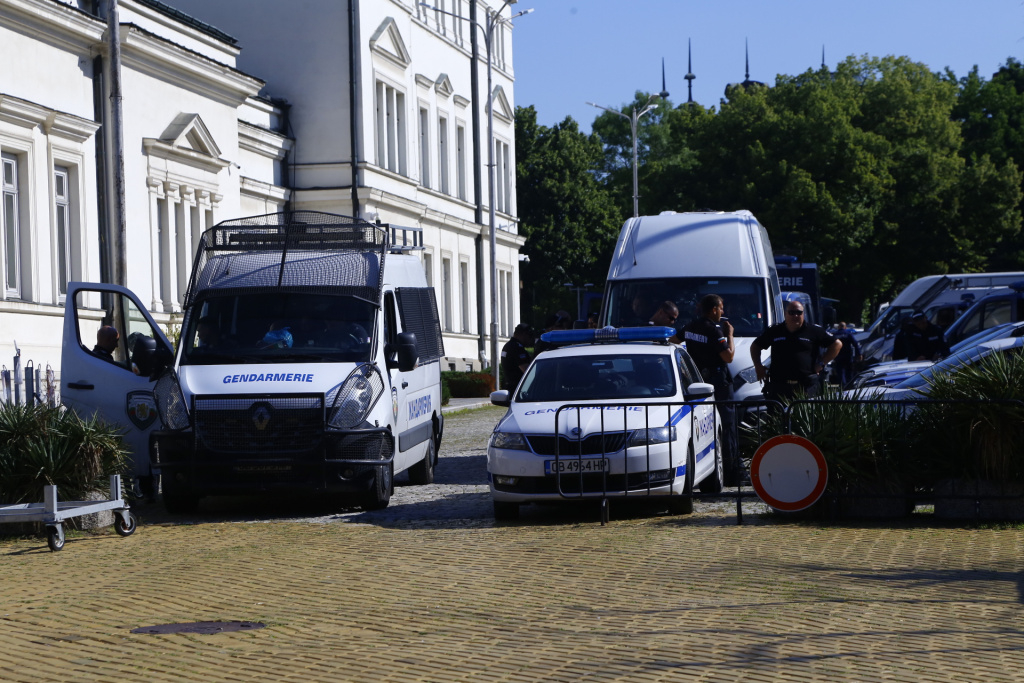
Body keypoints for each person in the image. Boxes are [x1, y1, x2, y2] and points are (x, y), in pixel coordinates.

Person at [681, 294, 737, 475]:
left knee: (704, 426)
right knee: (726, 425)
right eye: (721, 308)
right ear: (714, 310)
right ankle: (731, 470)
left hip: (697, 382)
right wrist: (729, 335)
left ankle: (709, 466)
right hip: (718, 383)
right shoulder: (714, 331)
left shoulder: (691, 326)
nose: (723, 312)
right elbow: (728, 357)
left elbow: (673, 340)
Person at [750, 300, 842, 403]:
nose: (796, 315)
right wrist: (758, 366)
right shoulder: (775, 331)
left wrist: (821, 363)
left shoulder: (814, 331)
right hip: (779, 386)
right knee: (777, 417)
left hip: (806, 386)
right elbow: (755, 346)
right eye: (792, 312)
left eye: (799, 312)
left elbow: (837, 344)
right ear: (785, 314)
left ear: (804, 314)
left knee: (805, 417)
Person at [500, 323, 534, 391]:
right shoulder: (517, 348)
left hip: (510, 387)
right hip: (518, 388)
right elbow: (527, 371)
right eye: (529, 336)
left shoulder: (508, 345)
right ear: (523, 334)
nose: (530, 339)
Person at [830, 321, 862, 388]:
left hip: (838, 356)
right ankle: (849, 386)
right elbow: (856, 344)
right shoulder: (848, 334)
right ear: (845, 327)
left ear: (839, 327)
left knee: (840, 373)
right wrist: (859, 354)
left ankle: (843, 386)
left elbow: (830, 346)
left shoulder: (835, 334)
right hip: (848, 356)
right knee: (849, 372)